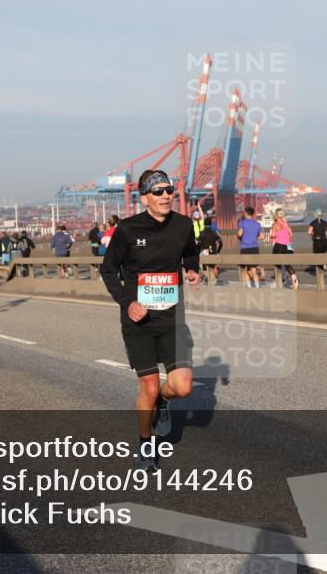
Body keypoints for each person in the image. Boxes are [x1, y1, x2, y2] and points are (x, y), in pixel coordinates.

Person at [100, 170, 200, 471]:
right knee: (150, 387)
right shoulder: (128, 230)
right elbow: (107, 270)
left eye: (169, 190)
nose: (165, 195)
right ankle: (145, 443)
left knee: (182, 387)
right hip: (138, 320)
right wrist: (127, 302)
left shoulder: (183, 225)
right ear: (144, 198)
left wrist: (192, 269)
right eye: (158, 192)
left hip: (171, 317)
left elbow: (190, 254)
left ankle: (164, 404)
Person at [270, 209, 299, 289]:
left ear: (276, 215)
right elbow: (291, 234)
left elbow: (273, 235)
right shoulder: (286, 224)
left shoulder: (275, 224)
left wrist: (272, 237)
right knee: (288, 265)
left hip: (279, 245)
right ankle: (295, 280)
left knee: (277, 264)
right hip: (288, 246)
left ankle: (276, 282)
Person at [237, 206, 264, 288]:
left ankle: (249, 286)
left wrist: (241, 235)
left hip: (245, 248)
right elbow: (262, 237)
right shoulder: (257, 224)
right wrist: (254, 237)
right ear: (252, 214)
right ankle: (257, 286)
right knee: (253, 269)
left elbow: (240, 234)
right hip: (254, 248)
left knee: (245, 269)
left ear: (245, 213)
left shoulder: (242, 223)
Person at [198, 214, 223, 282]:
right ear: (211, 223)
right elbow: (221, 243)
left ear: (204, 223)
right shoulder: (214, 233)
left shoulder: (202, 233)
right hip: (213, 251)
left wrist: (197, 250)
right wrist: (218, 250)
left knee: (202, 264)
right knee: (213, 266)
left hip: (204, 251)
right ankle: (214, 278)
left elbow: (199, 243)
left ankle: (210, 277)